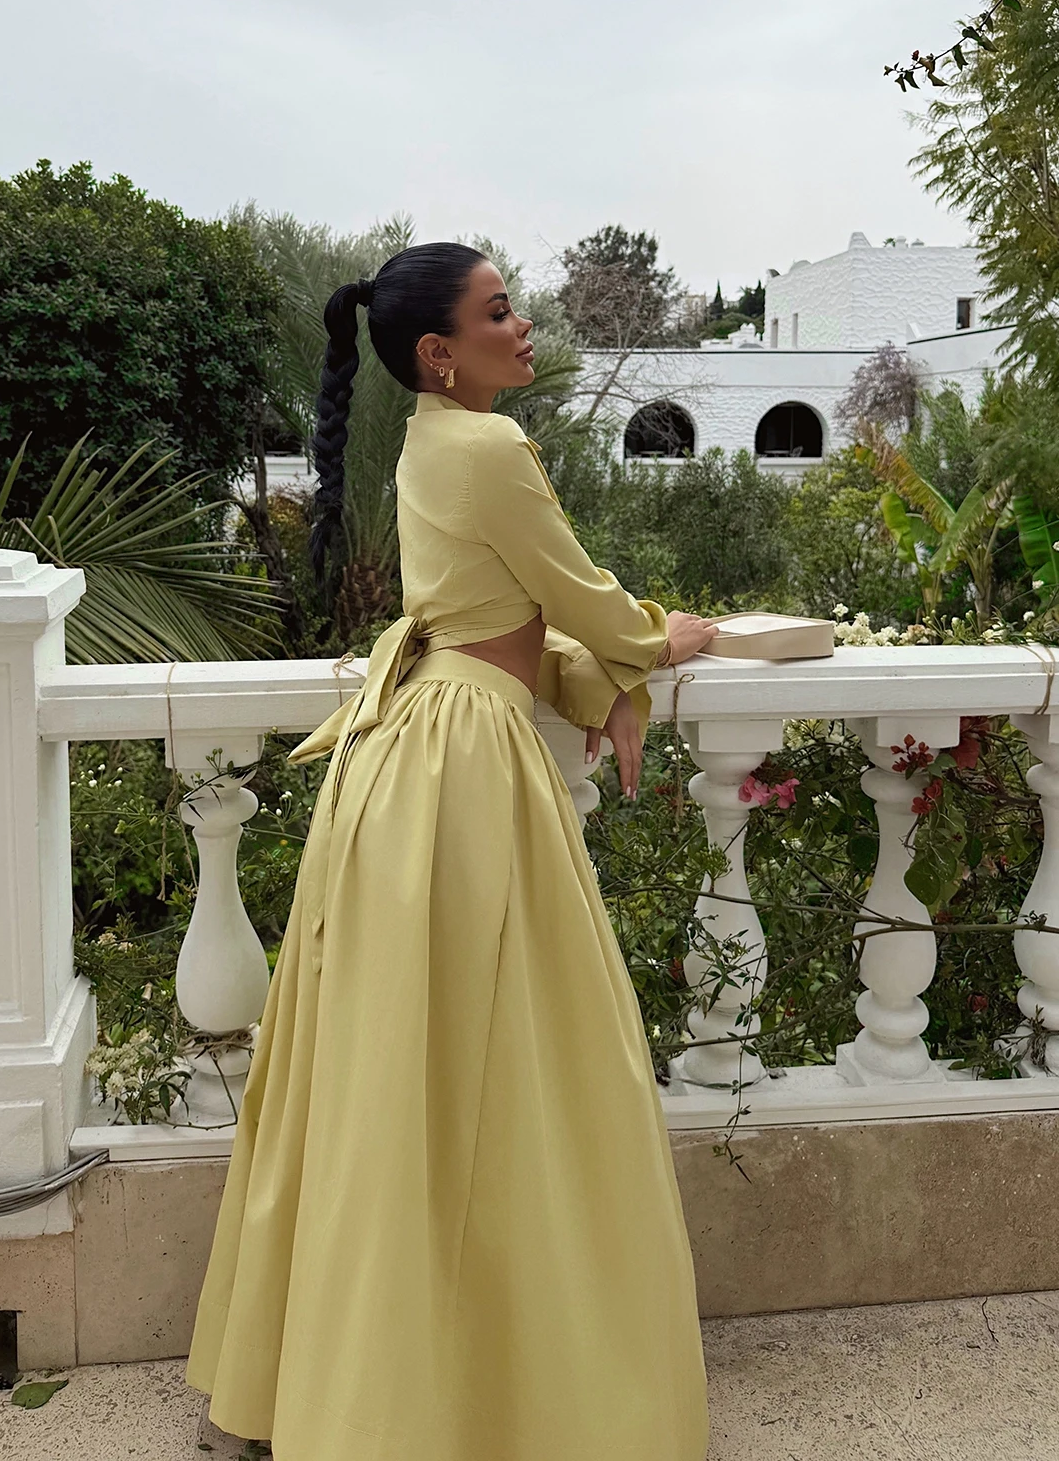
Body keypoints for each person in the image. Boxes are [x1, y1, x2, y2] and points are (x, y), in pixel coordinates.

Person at [185, 243, 718, 1461]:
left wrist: (594, 678)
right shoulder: (487, 447)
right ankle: (499, 1400)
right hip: (461, 774)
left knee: (392, 1080)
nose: (524, 328)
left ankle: (366, 1389)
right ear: (441, 352)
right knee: (521, 1072)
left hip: (416, 754)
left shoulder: (435, 442)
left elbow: (495, 614)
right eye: (500, 312)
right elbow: (576, 599)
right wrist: (657, 642)